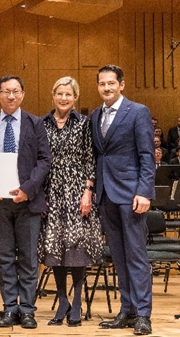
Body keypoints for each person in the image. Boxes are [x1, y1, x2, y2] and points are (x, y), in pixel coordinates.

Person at [0, 75, 51, 329]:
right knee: (5, 258)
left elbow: (44, 160)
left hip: (27, 202)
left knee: (29, 258)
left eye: (16, 91)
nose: (11, 96)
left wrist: (27, 189)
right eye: (6, 91)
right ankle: (10, 307)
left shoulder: (36, 123)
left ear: (22, 94)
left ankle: (28, 309)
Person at [92, 64, 155, 336]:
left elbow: (147, 155)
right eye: (102, 83)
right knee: (118, 256)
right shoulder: (95, 115)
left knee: (136, 256)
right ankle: (127, 310)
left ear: (122, 84)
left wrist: (145, 191)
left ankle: (143, 314)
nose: (106, 88)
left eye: (111, 83)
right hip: (106, 194)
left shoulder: (138, 112)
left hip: (131, 195)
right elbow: (100, 155)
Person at [38, 77, 103, 327]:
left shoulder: (84, 123)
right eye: (60, 93)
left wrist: (87, 191)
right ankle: (62, 300)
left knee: (77, 248)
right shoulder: (42, 123)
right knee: (55, 247)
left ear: (75, 97)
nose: (64, 98)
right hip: (52, 191)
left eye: (69, 94)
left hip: (77, 191)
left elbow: (90, 159)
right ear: (53, 95)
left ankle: (77, 301)